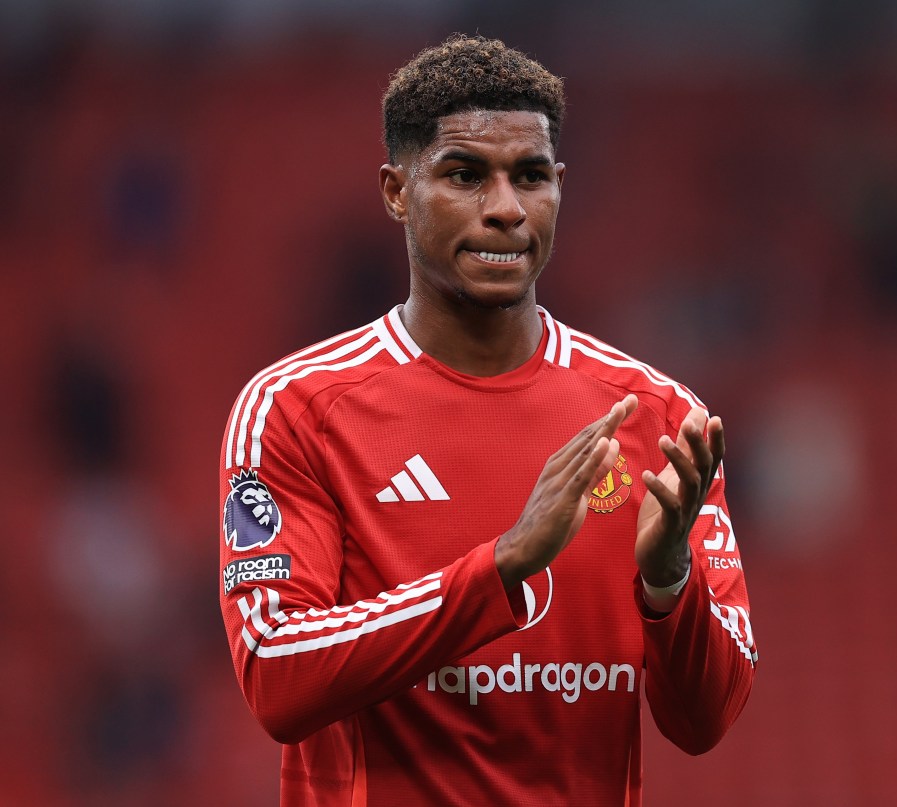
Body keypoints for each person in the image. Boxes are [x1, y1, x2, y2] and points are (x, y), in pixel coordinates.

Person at [219, 34, 757, 806]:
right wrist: (500, 568)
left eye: (530, 177)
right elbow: (275, 674)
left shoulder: (661, 416)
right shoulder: (297, 410)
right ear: (396, 190)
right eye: (466, 175)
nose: (506, 209)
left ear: (559, 188)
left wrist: (670, 582)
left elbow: (705, 720)